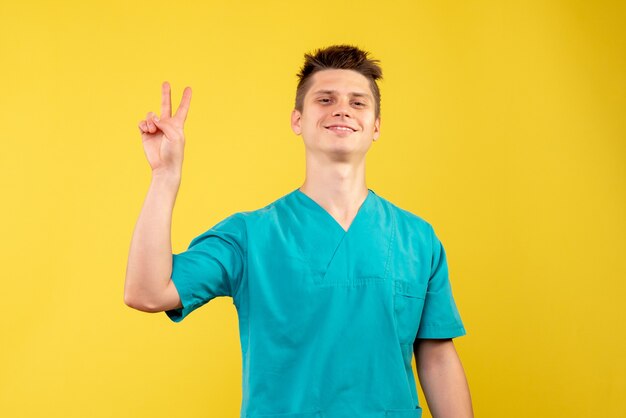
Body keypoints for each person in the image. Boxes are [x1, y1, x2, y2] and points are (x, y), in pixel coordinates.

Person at [124, 44, 473, 418]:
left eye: (358, 103)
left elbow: (436, 356)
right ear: (297, 120)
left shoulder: (418, 239)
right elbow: (147, 293)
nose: (342, 109)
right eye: (325, 99)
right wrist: (164, 176)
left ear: (376, 127)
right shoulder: (249, 236)